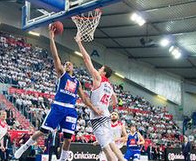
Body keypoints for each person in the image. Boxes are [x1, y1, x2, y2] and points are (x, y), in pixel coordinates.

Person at [14, 25, 102, 160]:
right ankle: (25, 146)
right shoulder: (62, 75)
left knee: (68, 139)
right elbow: (55, 57)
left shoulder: (77, 81)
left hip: (71, 110)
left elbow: (84, 98)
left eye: (69, 64)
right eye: (65, 64)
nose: (67, 65)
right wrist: (51, 38)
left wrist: (94, 108)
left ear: (73, 68)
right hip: (58, 106)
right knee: (44, 131)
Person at [75, 35, 125, 161]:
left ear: (103, 72)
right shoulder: (109, 85)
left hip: (98, 116)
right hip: (106, 115)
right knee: (111, 144)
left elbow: (87, 60)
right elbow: (115, 101)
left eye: (101, 68)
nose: (99, 68)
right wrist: (105, 104)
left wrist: (79, 43)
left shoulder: (98, 79)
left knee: (105, 148)